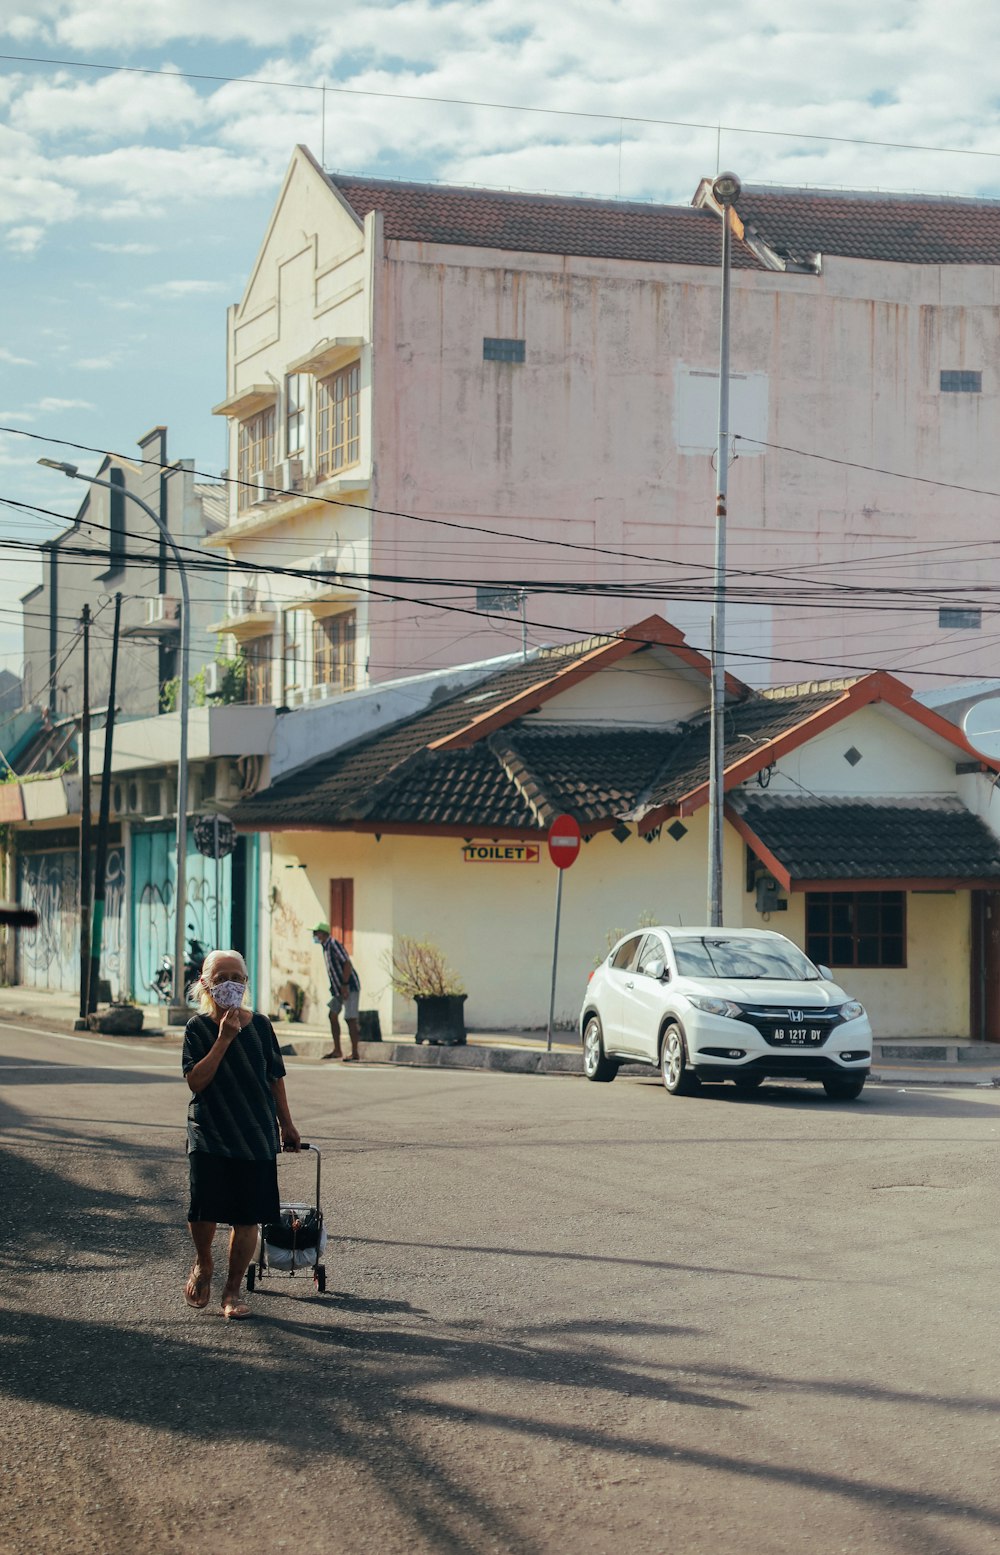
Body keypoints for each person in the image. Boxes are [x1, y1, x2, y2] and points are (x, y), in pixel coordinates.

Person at [182, 948, 300, 1320]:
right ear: (205, 984)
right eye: (221, 979)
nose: (230, 985)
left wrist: (287, 1124)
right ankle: (204, 1263)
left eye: (238, 978)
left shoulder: (262, 1026)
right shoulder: (197, 1029)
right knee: (204, 1210)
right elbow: (196, 1081)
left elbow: (274, 1079)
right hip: (210, 1131)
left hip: (255, 1132)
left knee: (248, 1217)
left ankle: (231, 1291)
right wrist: (223, 1038)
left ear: (246, 984)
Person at [312, 920, 362, 1061]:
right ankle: (337, 1049)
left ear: (323, 933)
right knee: (332, 1016)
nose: (314, 936)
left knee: (350, 1018)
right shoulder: (325, 947)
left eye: (316, 933)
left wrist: (345, 984)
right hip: (338, 990)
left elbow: (347, 963)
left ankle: (355, 1052)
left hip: (349, 986)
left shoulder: (333, 944)